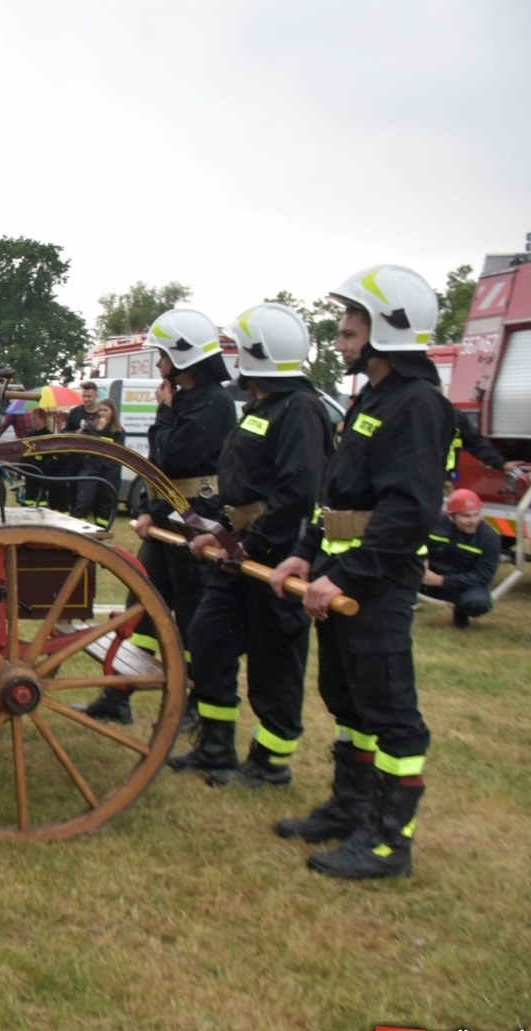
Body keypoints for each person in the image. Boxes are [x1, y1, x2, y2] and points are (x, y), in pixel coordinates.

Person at [267, 264, 456, 880]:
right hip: (337, 570)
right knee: (347, 699)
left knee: (390, 709)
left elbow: (409, 510)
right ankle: (351, 808)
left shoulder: (418, 404)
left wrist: (348, 577)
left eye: (351, 333)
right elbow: (334, 493)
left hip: (376, 582)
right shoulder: (371, 398)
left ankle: (388, 842)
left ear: (388, 331)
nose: (341, 341)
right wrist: (305, 551)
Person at [169, 303, 329, 786]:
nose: (235, 359)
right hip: (244, 551)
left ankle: (269, 763)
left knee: (274, 660)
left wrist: (249, 544)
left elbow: (297, 493)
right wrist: (219, 531)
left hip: (277, 553)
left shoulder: (300, 409)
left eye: (241, 349)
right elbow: (241, 489)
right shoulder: (260, 407)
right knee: (208, 639)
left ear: (261, 354)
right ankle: (215, 746)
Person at [78, 308, 236, 724]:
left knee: (191, 616)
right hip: (168, 520)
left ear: (184, 357)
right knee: (141, 608)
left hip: (196, 522)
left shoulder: (215, 403)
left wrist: (164, 413)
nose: (160, 362)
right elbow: (159, 467)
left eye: (164, 354)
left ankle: (194, 703)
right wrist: (150, 511)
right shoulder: (184, 399)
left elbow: (172, 455)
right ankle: (118, 696)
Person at [421, 488, 500, 628]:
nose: (473, 521)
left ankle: (461, 610)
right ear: (451, 517)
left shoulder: (489, 537)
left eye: (476, 515)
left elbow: (483, 576)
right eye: (466, 516)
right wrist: (421, 561)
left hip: (460, 585)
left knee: (478, 603)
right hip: (424, 577)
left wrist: (441, 580)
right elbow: (411, 542)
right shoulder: (432, 522)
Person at [70, 399, 125, 529]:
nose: (102, 413)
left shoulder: (118, 431)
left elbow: (118, 451)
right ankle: (75, 530)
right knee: (84, 501)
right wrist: (98, 429)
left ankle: (101, 533)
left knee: (104, 505)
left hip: (109, 472)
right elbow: (88, 445)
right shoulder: (90, 428)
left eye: (105, 410)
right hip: (91, 469)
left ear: (112, 412)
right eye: (100, 410)